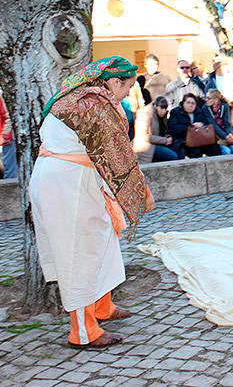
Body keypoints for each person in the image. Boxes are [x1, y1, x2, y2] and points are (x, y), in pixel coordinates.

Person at [30, 56, 155, 348]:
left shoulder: (77, 95)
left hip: (64, 178)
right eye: (128, 87)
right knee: (80, 254)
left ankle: (102, 307)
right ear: (114, 82)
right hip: (68, 184)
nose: (128, 94)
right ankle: (84, 332)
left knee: (102, 243)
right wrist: (141, 192)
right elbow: (118, 157)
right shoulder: (95, 105)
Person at [167, 93, 221, 158]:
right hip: (184, 141)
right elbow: (172, 129)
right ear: (183, 103)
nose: (190, 105)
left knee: (215, 149)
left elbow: (207, 124)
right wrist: (191, 127)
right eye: (188, 103)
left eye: (193, 103)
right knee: (195, 153)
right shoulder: (175, 112)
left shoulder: (199, 111)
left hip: (201, 139)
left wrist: (202, 125)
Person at [132, 95, 177, 163]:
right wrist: (164, 140)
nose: (163, 111)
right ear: (155, 106)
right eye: (161, 108)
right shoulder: (145, 113)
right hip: (146, 146)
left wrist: (169, 137)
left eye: (165, 108)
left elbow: (165, 131)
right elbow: (143, 137)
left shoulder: (164, 116)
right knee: (173, 156)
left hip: (158, 143)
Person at [203, 89, 233, 155]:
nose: (206, 100)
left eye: (209, 98)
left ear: (216, 99)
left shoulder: (225, 106)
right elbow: (213, 125)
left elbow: (227, 122)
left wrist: (229, 133)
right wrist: (225, 136)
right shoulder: (205, 109)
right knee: (226, 151)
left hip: (226, 135)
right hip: (216, 137)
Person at [0, 90, 16, 179]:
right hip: (4, 138)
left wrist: (5, 135)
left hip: (7, 139)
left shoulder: (1, 95)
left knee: (10, 170)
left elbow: (8, 116)